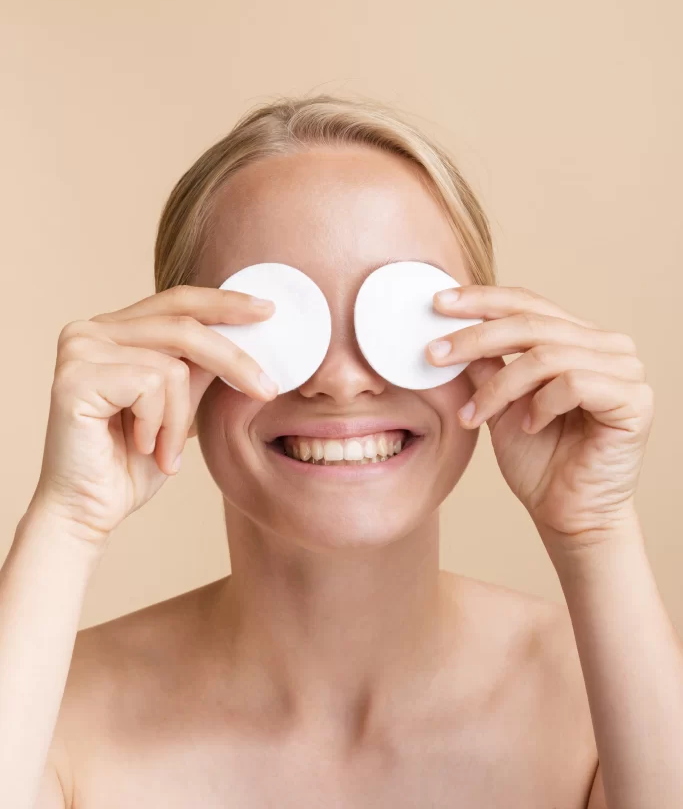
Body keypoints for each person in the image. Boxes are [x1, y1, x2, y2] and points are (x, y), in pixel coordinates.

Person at [1, 94, 681, 809]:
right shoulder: (54, 716)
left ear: (494, 346)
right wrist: (67, 518)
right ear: (178, 360)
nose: (341, 380)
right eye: (274, 325)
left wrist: (596, 530)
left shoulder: (602, 711)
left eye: (402, 317)